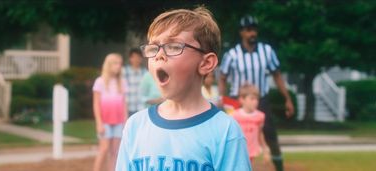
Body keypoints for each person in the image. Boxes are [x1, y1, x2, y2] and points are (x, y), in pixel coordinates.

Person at [116, 7, 252, 170]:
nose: (159, 55)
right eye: (153, 48)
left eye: (173, 46)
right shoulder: (135, 126)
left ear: (206, 63)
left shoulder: (225, 131)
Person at [219, 15, 294, 171]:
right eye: (248, 30)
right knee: (232, 136)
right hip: (236, 100)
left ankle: (279, 167)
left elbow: (277, 75)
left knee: (270, 134)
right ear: (242, 32)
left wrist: (287, 99)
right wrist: (223, 100)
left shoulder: (267, 51)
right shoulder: (232, 54)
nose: (252, 33)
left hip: (261, 100)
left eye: (254, 30)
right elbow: (222, 77)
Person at [93, 53, 128, 171]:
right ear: (108, 65)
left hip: (118, 122)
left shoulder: (122, 82)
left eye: (120, 64)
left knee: (115, 152)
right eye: (116, 63)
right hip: (104, 122)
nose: (119, 66)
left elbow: (124, 104)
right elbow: (96, 104)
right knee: (103, 149)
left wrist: (125, 122)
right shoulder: (100, 82)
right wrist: (99, 123)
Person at [232, 84, 271, 165]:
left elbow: (260, 133)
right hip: (238, 153)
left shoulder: (260, 116)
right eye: (252, 99)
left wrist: (265, 148)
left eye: (257, 99)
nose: (256, 101)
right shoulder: (234, 116)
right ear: (242, 99)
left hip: (253, 153)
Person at [123, 48, 147, 116]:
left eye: (138, 57)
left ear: (141, 59)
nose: (136, 59)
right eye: (134, 57)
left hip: (141, 107)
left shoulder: (145, 72)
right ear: (130, 58)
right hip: (127, 107)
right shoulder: (124, 71)